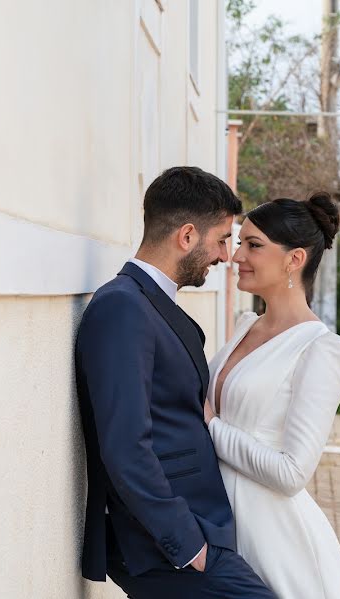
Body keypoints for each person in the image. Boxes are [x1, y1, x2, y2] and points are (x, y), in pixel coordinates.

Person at [75, 166, 275, 598]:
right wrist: (186, 546)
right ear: (186, 236)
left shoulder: (151, 305)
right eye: (222, 239)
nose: (227, 255)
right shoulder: (123, 308)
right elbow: (125, 445)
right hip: (164, 546)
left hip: (199, 528)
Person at [203, 193, 340, 599]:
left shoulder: (321, 349)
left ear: (295, 259)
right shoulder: (244, 325)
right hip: (217, 525)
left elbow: (293, 473)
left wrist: (211, 427)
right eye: (239, 244)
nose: (237, 257)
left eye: (254, 246)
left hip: (275, 541)